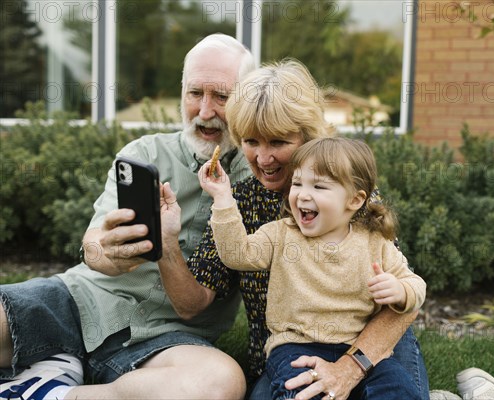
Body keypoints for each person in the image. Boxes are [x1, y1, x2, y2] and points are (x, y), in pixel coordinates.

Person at [0, 33, 256, 400]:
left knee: (218, 383)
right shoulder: (144, 152)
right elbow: (93, 248)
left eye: (222, 97)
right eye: (195, 93)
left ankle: (50, 393)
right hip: (79, 301)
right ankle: (53, 364)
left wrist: (166, 243)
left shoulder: (258, 177)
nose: (204, 111)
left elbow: (191, 307)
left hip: (166, 342)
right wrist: (105, 253)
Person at [160, 59, 431, 400]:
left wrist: (350, 367)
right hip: (290, 351)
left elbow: (403, 295)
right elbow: (193, 303)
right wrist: (165, 241)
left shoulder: (347, 192)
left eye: (278, 142)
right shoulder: (238, 202)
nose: (263, 158)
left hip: (366, 341)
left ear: (307, 136)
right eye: (251, 141)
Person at [199, 136, 427, 399]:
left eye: (319, 186)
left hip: (356, 347)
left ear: (354, 200)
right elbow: (237, 255)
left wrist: (400, 290)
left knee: (398, 390)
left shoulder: (375, 242)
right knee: (304, 392)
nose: (303, 194)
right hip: (296, 347)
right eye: (297, 183)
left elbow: (416, 284)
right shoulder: (280, 234)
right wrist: (223, 198)